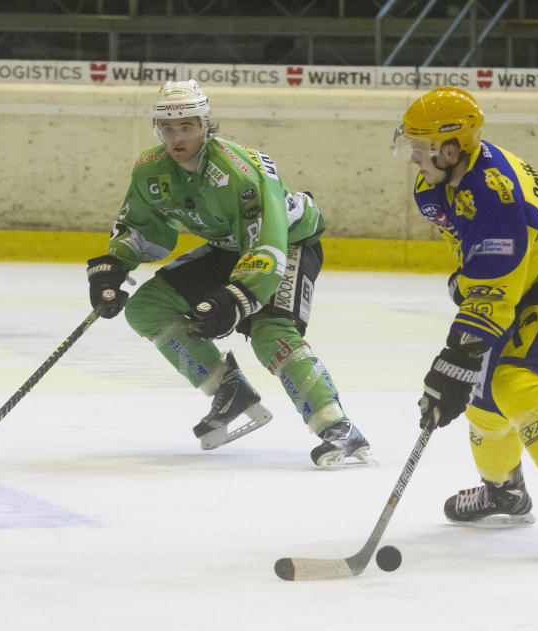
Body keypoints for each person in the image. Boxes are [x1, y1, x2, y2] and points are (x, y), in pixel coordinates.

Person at [86, 79, 371, 469]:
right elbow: (142, 227)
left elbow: (267, 243)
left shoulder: (238, 171)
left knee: (269, 333)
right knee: (146, 307)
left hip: (286, 242)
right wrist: (114, 266)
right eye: (167, 128)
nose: (176, 138)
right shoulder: (151, 169)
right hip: (232, 246)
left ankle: (338, 427)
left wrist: (235, 299)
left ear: (205, 125)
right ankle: (230, 389)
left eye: (186, 127)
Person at [392, 86, 538, 558]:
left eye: (423, 146)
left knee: (517, 385)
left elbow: (494, 291)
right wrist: (468, 279)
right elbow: (471, 249)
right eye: (411, 144)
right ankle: (505, 492)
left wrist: (455, 357)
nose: (414, 157)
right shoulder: (432, 187)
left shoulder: (494, 194)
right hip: (528, 278)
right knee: (482, 404)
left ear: (453, 148)